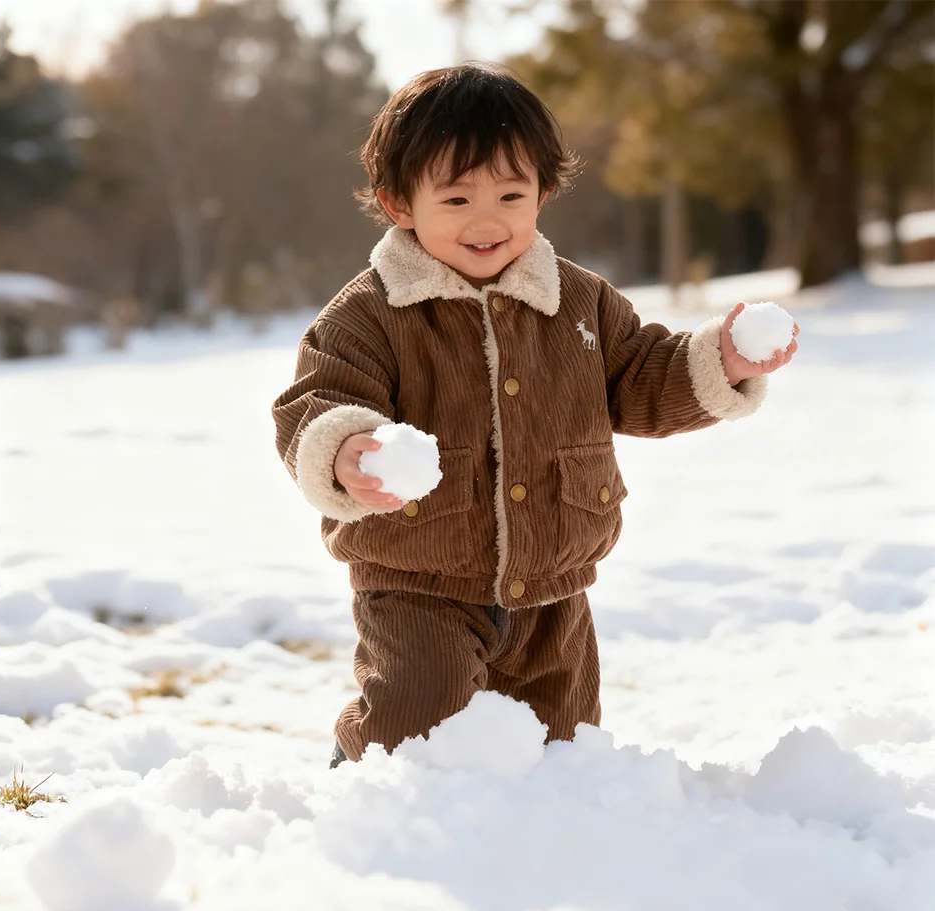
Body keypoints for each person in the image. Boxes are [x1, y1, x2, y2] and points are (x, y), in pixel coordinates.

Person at [272, 63, 798, 767]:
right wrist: (350, 454)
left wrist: (722, 359)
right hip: (417, 578)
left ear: (543, 192)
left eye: (511, 194)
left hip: (555, 583)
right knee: (418, 722)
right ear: (400, 204)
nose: (487, 221)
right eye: (455, 199)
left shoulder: (578, 302)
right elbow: (322, 402)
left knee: (562, 744)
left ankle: (542, 847)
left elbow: (642, 375)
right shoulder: (369, 316)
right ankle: (366, 786)